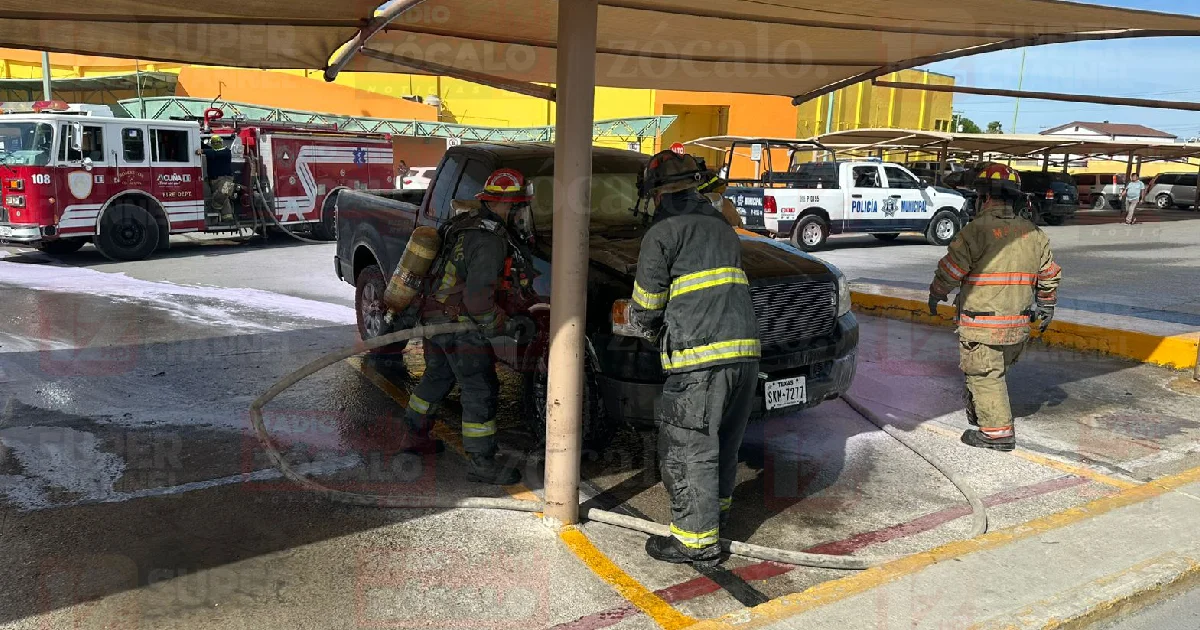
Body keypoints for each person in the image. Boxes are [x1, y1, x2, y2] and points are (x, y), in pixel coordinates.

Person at [628, 150, 761, 567]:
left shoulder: (662, 232)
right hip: (745, 355)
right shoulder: (721, 226)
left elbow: (646, 306)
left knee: (689, 448)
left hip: (699, 359)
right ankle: (715, 518)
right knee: (723, 442)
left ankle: (696, 541)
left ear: (655, 193)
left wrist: (647, 329)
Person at [401, 168, 532, 485]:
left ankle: (414, 436)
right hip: (459, 326)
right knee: (480, 388)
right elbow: (477, 302)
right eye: (520, 207)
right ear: (507, 205)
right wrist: (504, 326)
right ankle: (482, 461)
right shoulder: (490, 241)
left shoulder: (463, 224)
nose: (522, 214)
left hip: (434, 316)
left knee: (438, 376)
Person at [928, 163, 1062, 452]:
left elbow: (951, 271)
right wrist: (1047, 305)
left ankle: (996, 433)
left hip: (983, 325)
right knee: (992, 371)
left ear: (985, 197)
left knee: (985, 376)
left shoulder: (975, 231)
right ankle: (980, 412)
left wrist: (936, 293)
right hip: (1018, 326)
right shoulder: (1034, 232)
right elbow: (1049, 274)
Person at [203, 135, 235, 222]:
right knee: (224, 199)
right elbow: (208, 149)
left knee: (225, 192)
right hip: (214, 180)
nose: (216, 144)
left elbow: (215, 154)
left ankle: (216, 206)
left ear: (221, 142)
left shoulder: (226, 152)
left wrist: (202, 151)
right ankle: (227, 217)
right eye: (214, 142)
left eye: (217, 142)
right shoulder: (211, 151)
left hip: (227, 178)